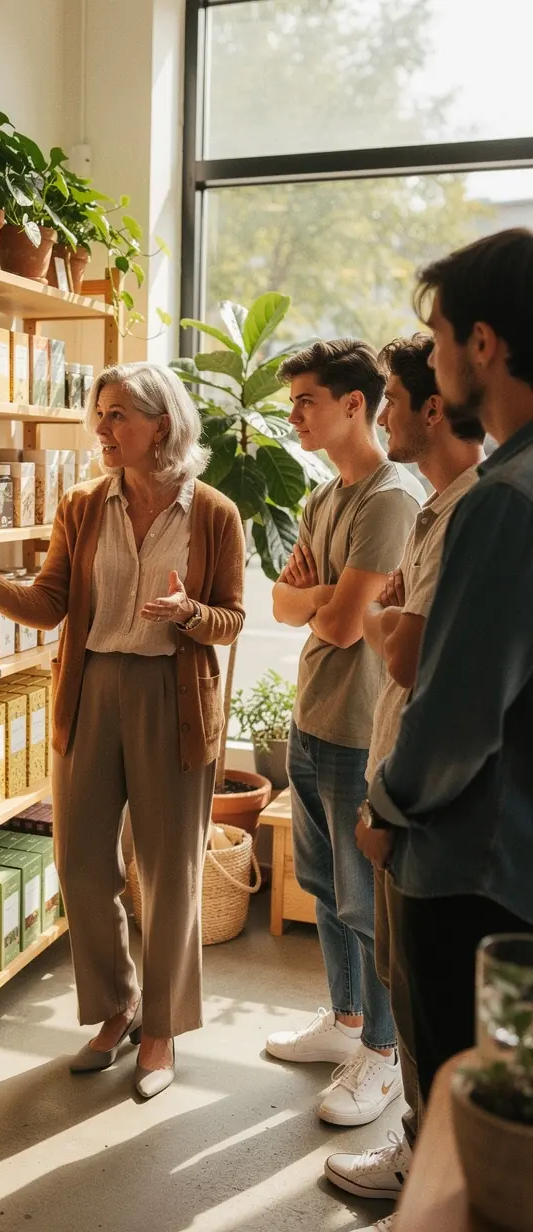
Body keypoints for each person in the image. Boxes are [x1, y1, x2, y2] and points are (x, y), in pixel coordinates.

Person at [0, 361, 245, 1100]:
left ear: (163, 424)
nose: (102, 428)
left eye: (118, 414)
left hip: (172, 696)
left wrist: (190, 613)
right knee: (81, 862)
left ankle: (160, 1031)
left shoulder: (214, 513)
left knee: (168, 872)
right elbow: (53, 602)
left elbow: (232, 618)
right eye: (99, 414)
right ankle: (117, 1004)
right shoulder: (84, 504)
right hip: (91, 689)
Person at [358, 230, 533, 1149]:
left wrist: (386, 803)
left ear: (484, 344)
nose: (429, 360)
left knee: (460, 1130)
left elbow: (455, 709)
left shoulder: (505, 499)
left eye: (437, 337)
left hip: (473, 869)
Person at [323, 334, 484, 1226]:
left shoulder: (468, 513)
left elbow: (407, 651)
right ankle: (421, 1148)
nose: (382, 414)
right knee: (402, 972)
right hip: (398, 777)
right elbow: (372, 622)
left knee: (425, 997)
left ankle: (427, 1167)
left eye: (390, 397)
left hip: (420, 803)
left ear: (432, 407)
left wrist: (380, 618)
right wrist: (381, 619)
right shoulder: (436, 509)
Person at [266, 339, 424, 1128]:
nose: (293, 413)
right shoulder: (322, 499)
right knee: (326, 889)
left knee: (366, 906)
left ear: (353, 404)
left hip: (362, 733)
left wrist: (321, 602)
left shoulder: (391, 498)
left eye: (306, 400)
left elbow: (338, 619)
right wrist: (323, 604)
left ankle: (386, 1056)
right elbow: (284, 606)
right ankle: (347, 1021)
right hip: (312, 717)